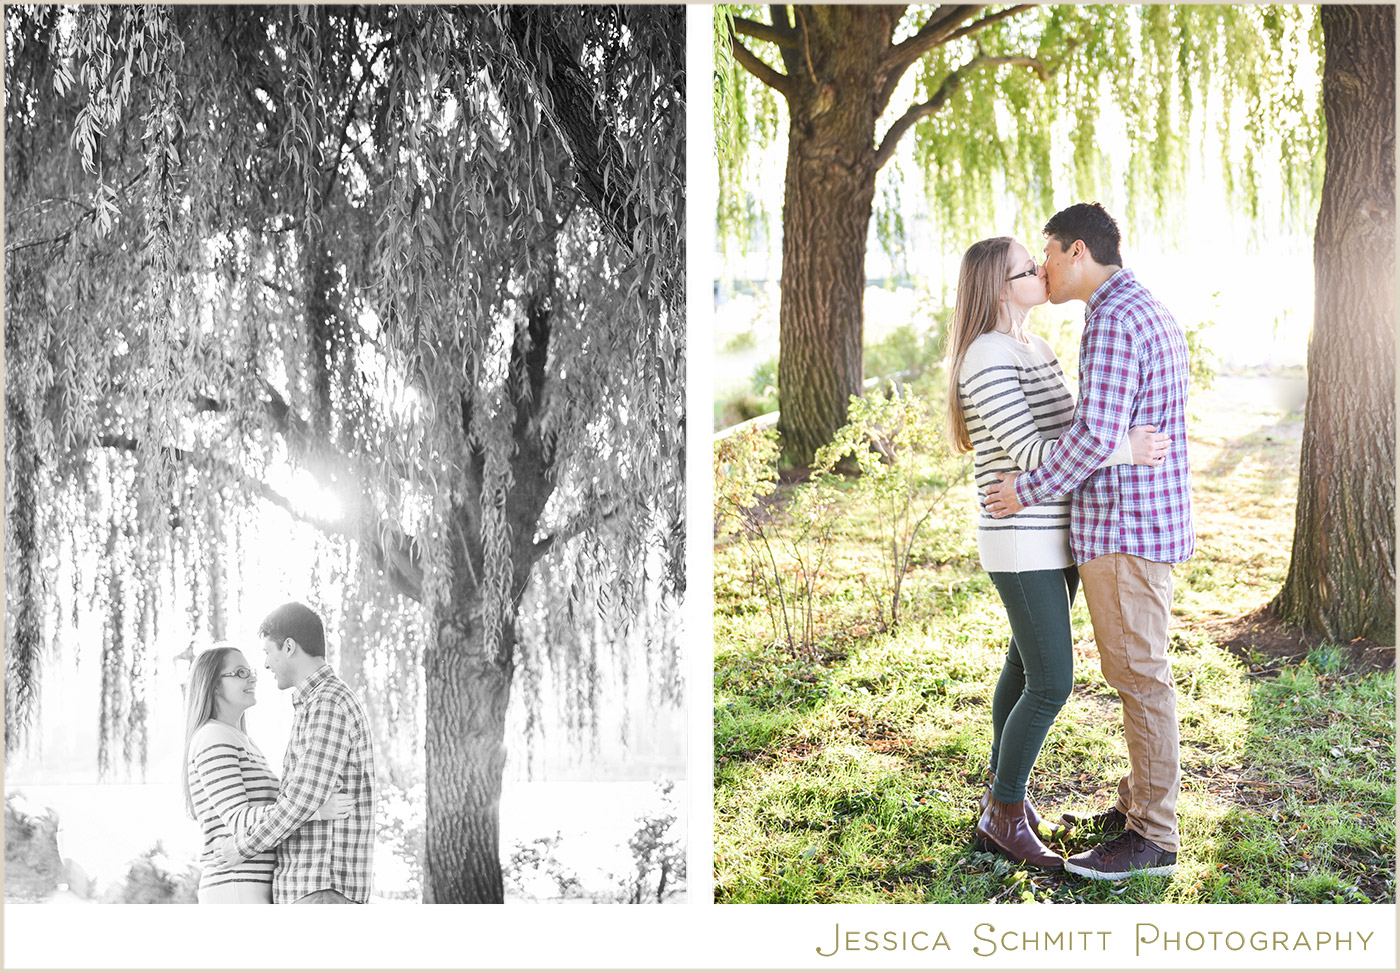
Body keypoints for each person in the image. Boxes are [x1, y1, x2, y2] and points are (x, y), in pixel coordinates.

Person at [984, 202, 1194, 881]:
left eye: (1046, 253)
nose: (1042, 266)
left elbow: (1096, 436)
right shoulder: (1141, 307)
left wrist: (1026, 488)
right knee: (1138, 671)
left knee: (1139, 677)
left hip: (1126, 527)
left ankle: (1153, 837)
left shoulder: (1110, 319)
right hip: (1139, 521)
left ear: (1077, 251)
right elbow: (1111, 433)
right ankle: (1137, 807)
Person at [218, 602, 378, 903]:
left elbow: (299, 802)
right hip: (312, 888)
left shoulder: (328, 703)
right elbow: (304, 801)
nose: (265, 665)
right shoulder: (316, 704)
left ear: (288, 646)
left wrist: (238, 847)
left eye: (267, 652)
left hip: (320, 886)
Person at [182, 643, 349, 904]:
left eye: (249, 671)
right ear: (213, 685)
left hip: (252, 884)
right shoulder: (213, 736)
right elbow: (239, 820)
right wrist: (313, 811)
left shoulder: (242, 740)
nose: (251, 678)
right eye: (239, 673)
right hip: (236, 885)